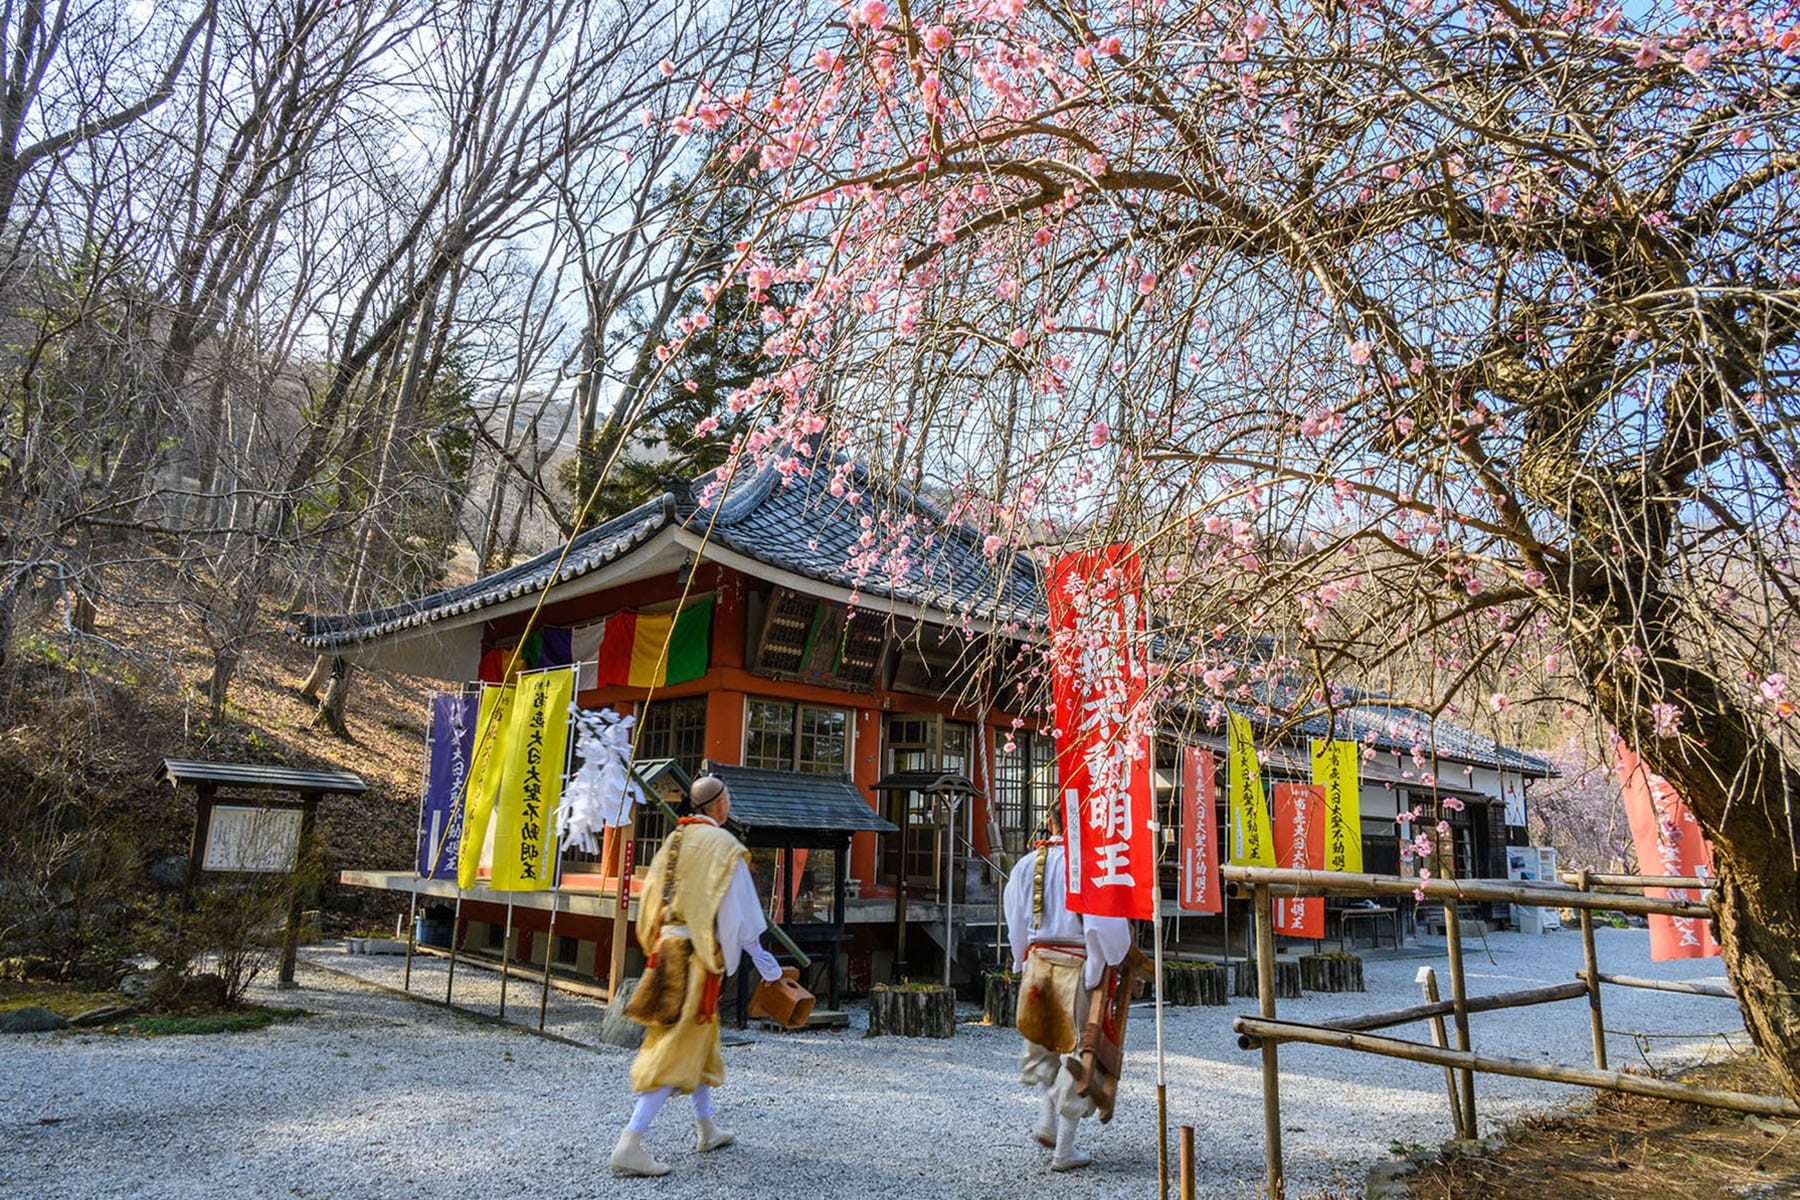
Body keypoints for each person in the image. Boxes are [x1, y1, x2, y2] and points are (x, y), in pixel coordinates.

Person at [610, 775, 785, 1177]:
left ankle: (707, 1128)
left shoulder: (674, 840)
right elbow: (739, 913)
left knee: (698, 1039)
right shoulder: (724, 847)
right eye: (728, 798)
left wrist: (656, 942)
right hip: (696, 958)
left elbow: (650, 897)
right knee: (675, 1047)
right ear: (718, 804)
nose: (730, 803)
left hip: (666, 950)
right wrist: (761, 959)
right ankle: (630, 1141)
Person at [1003, 802, 1132, 1172]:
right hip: (1076, 964)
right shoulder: (1090, 867)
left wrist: (1020, 959)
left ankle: (1046, 1120)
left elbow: (1014, 915)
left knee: (1045, 1044)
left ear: (1049, 822)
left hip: (1038, 962)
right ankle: (1064, 1148)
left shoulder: (1028, 864)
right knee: (1076, 1054)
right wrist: (1100, 965)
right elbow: (1103, 927)